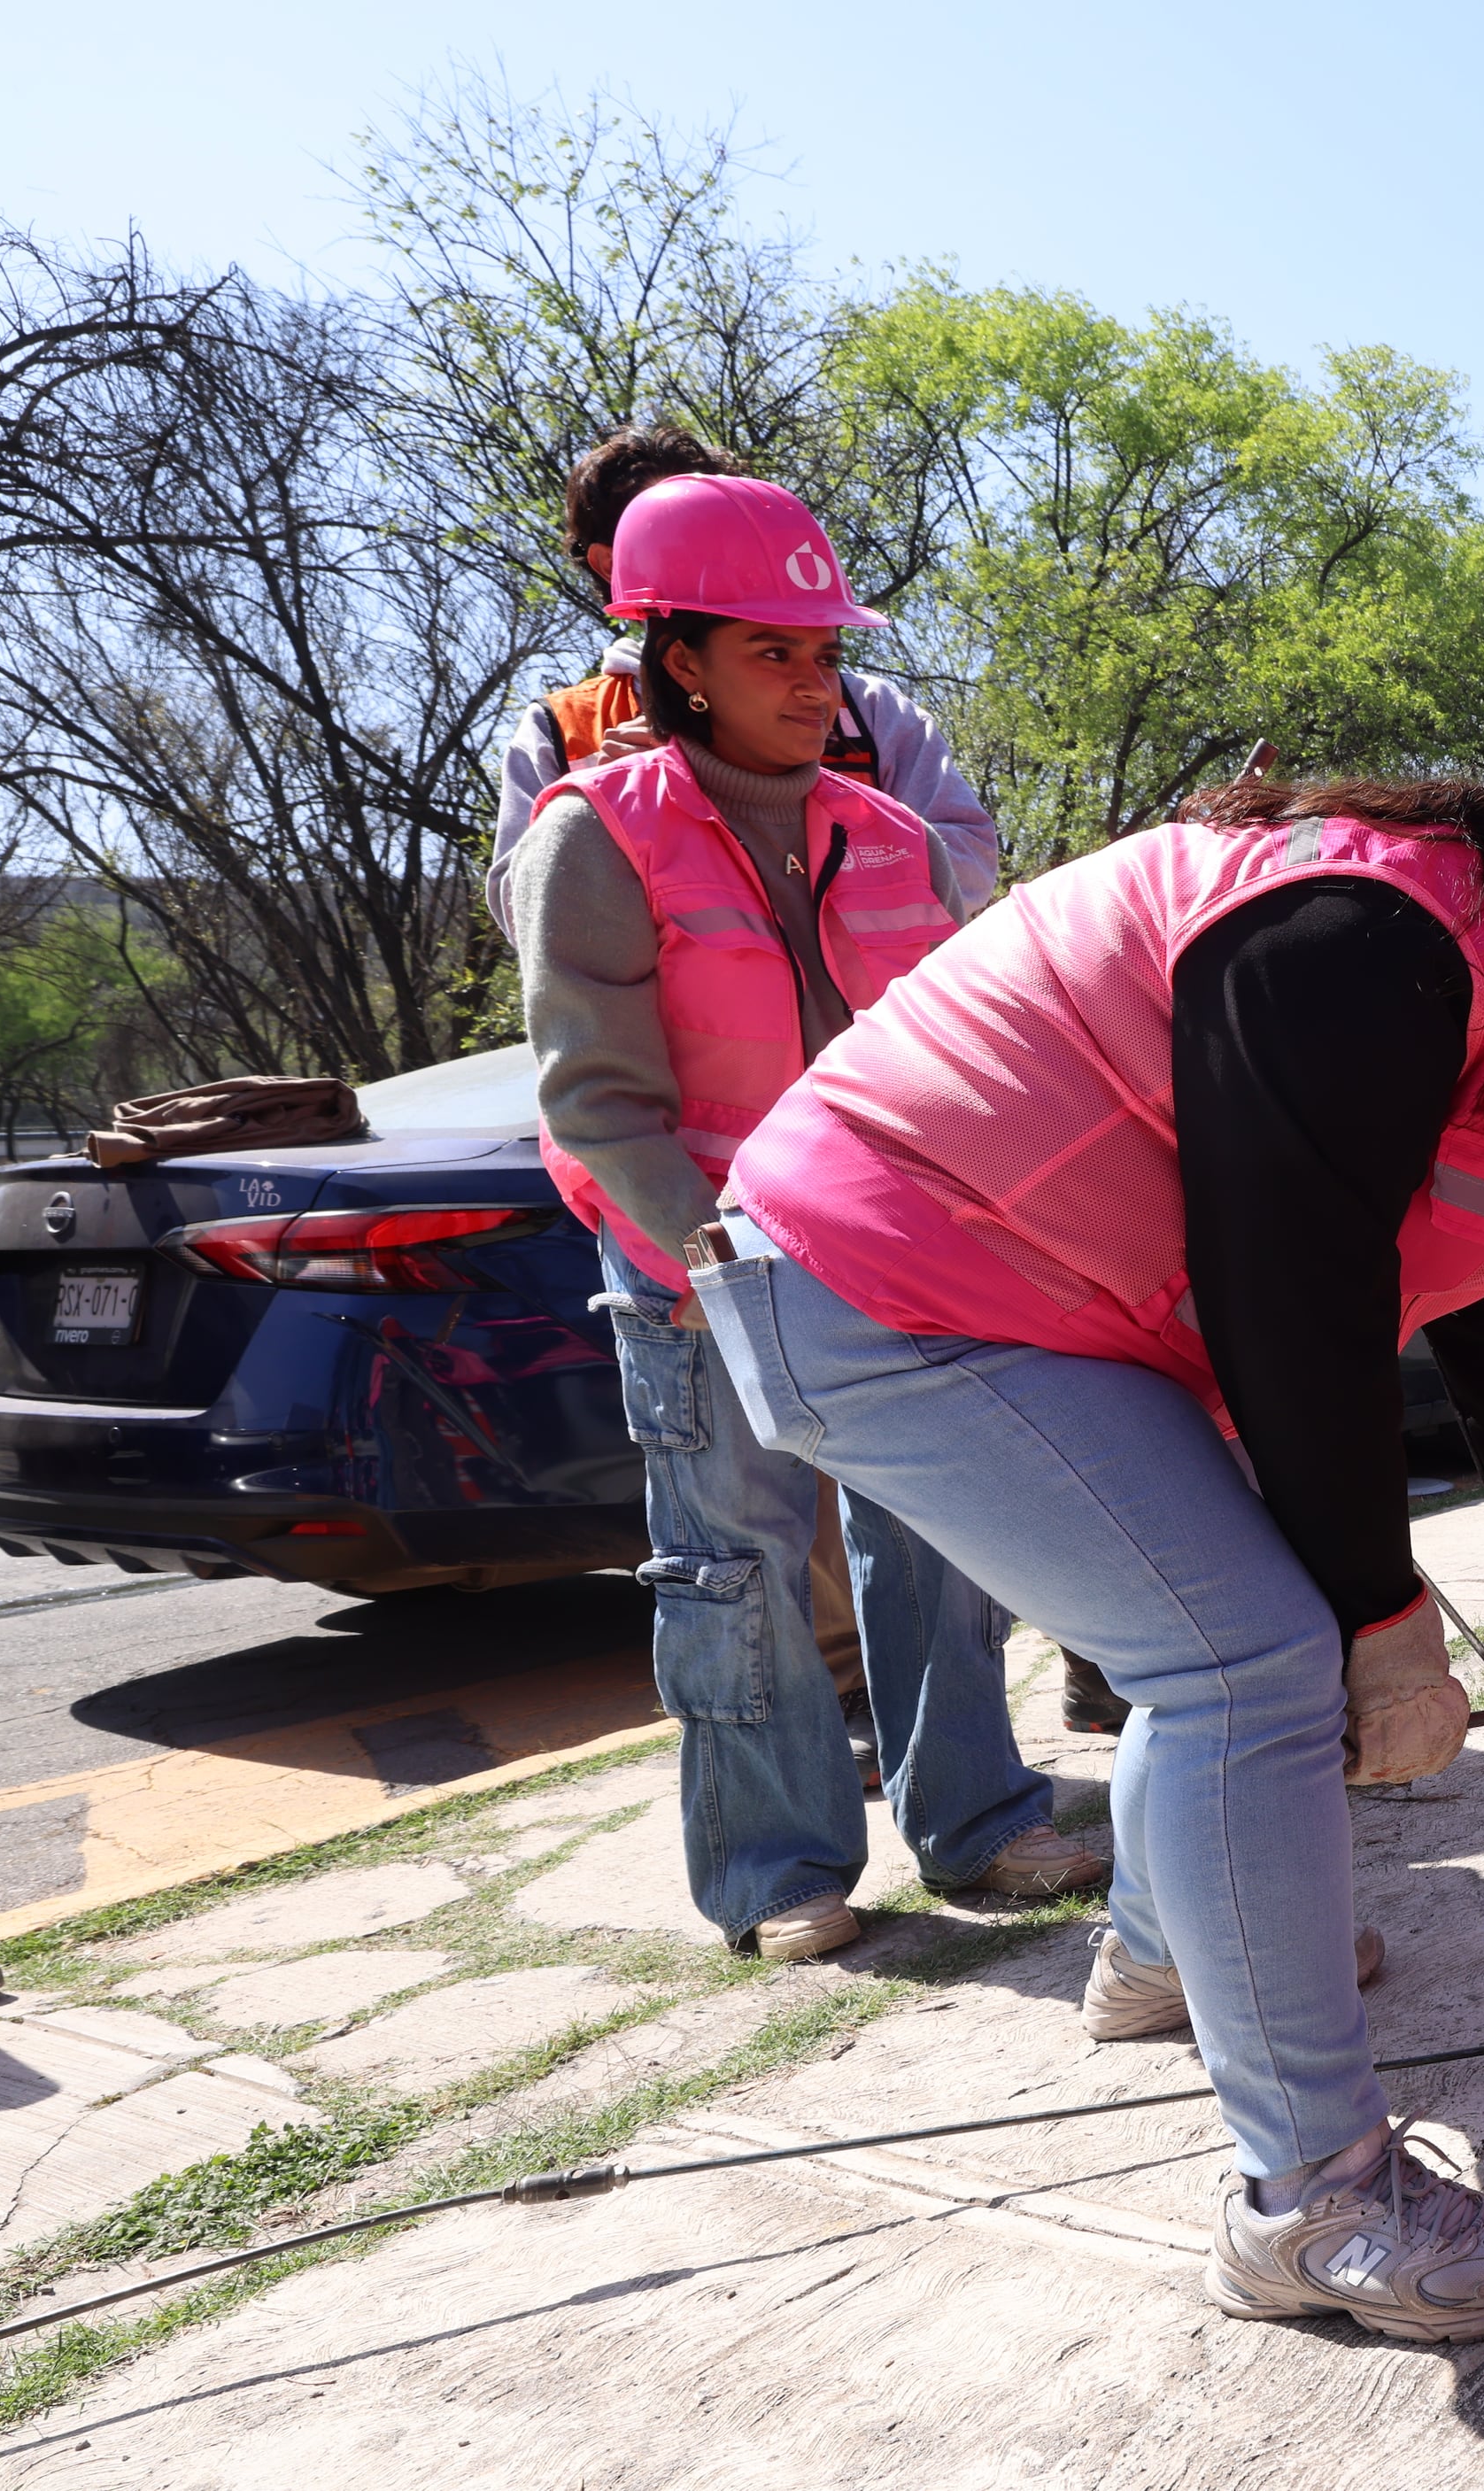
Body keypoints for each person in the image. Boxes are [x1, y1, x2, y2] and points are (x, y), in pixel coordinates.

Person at [697, 714, 1484, 2338]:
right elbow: (1291, 1293)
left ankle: (1165, 1959)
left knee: (1211, 1645)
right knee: (1251, 1654)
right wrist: (1385, 1625)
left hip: (965, 1285)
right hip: (881, 1281)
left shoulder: (1479, 973)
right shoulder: (1365, 936)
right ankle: (1310, 2202)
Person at [497, 474, 1101, 1961]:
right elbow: (597, 1099)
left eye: (825, 651)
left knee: (942, 1541)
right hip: (689, 1274)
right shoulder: (594, 835)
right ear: (676, 658)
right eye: (774, 650)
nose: (814, 680)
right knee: (738, 1570)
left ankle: (979, 1818)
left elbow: (959, 1062)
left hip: (894, 1265)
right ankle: (778, 1870)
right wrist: (714, 1249)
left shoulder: (890, 837)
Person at [490, 425, 999, 930]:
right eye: (673, 522)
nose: (726, 547)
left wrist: (798, 837)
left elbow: (970, 860)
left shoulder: (869, 711)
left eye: (731, 519)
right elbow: (524, 911)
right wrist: (608, 812)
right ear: (608, 563)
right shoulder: (562, 728)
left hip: (882, 1012)